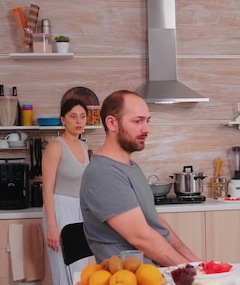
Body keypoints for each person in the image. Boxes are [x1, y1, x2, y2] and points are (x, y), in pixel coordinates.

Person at [80, 90, 200, 266]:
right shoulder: (103, 173)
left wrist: (197, 264)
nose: (146, 129)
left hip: (157, 274)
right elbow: (142, 238)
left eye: (147, 121)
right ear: (112, 123)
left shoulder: (130, 167)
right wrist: (189, 272)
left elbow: (156, 223)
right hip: (132, 282)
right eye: (137, 121)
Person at [41, 98, 89, 285]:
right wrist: (52, 225)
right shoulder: (55, 146)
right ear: (63, 119)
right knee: (63, 270)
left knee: (80, 270)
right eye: (73, 116)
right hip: (59, 210)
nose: (78, 121)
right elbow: (47, 188)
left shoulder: (83, 146)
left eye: (82, 116)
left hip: (79, 211)